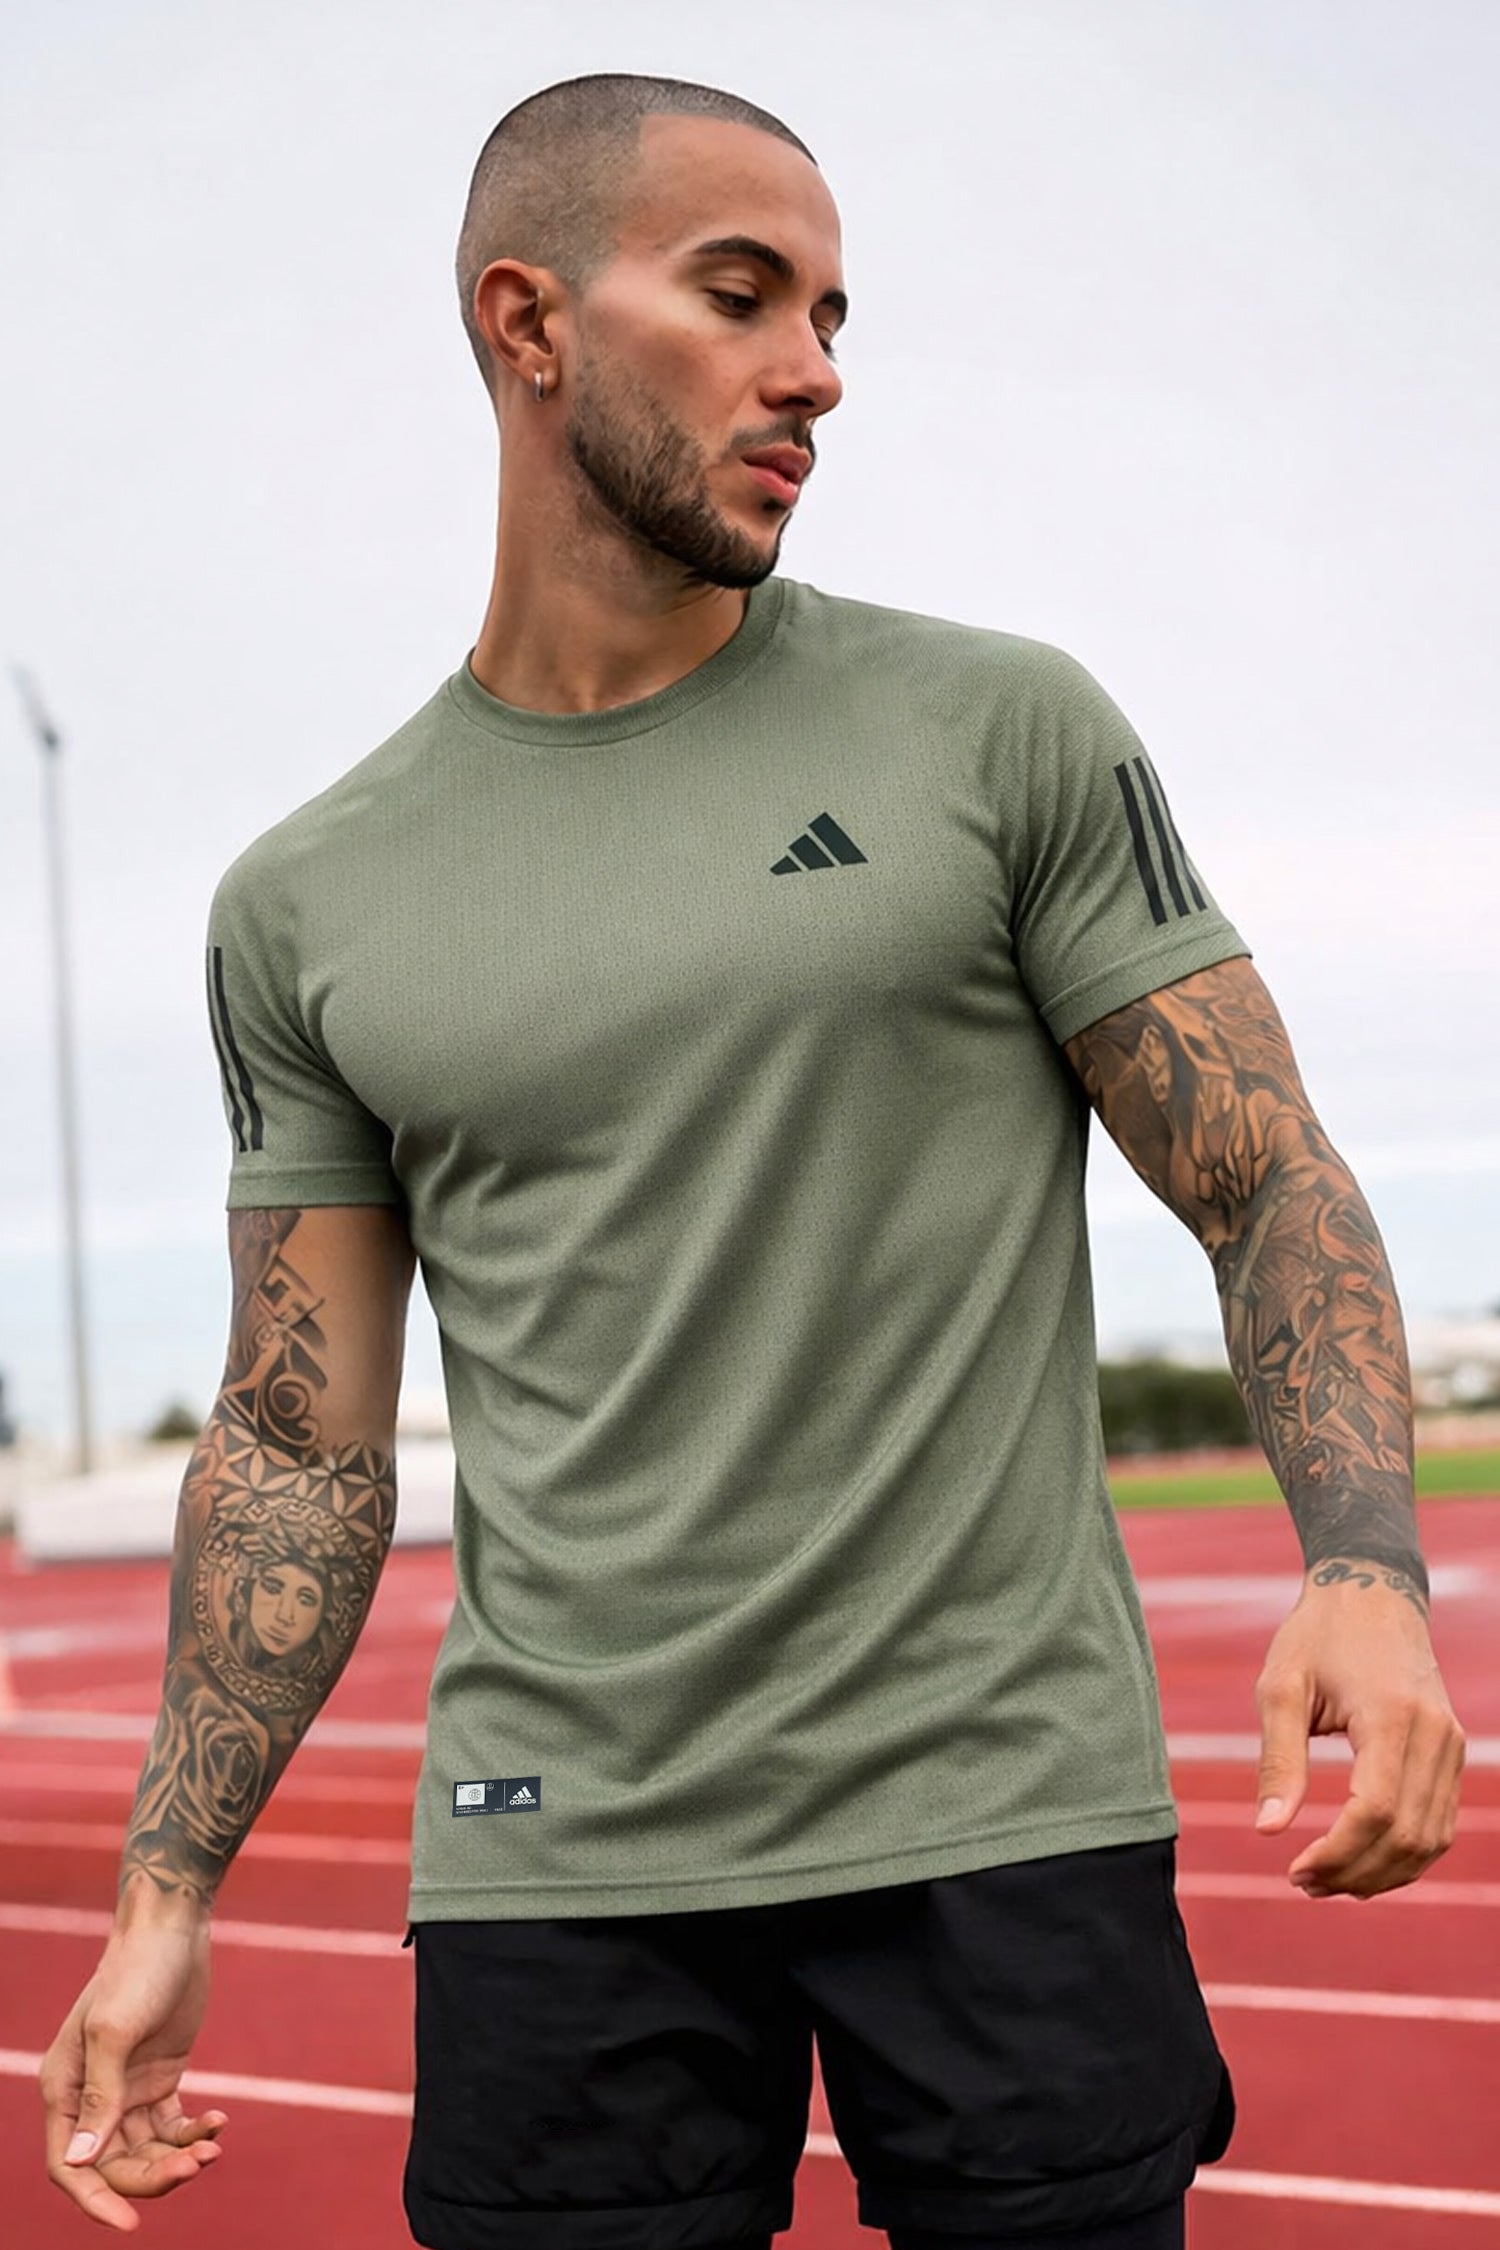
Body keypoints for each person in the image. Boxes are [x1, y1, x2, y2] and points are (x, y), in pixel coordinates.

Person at [41, 72, 1465, 2250]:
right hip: (558, 1855)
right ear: (528, 320)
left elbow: (1263, 1177)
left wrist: (1365, 1562)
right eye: (740, 295)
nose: (814, 371)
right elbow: (297, 1440)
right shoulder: (304, 902)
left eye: (830, 313)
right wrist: (168, 1884)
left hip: (1002, 1814)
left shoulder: (1002, 732)